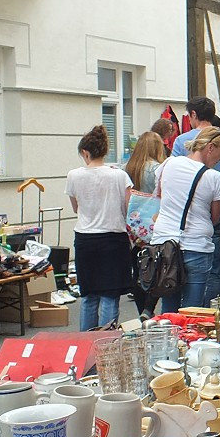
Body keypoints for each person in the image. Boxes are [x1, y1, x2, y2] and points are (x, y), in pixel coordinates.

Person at [171, 96, 220, 303]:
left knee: (180, 268)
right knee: (217, 271)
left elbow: (175, 179)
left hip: (186, 216)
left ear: (193, 115)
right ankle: (210, 316)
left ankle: (183, 314)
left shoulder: (181, 141)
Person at [150, 127, 220, 312]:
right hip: (196, 246)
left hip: (165, 244)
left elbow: (159, 197)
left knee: (168, 308)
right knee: (192, 311)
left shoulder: (168, 164)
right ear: (210, 147)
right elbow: (215, 217)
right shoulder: (212, 176)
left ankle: (168, 339)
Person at [65, 126, 133, 331]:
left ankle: (85, 345)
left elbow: (76, 207)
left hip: (85, 239)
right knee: (110, 296)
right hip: (113, 239)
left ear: (85, 152)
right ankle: (107, 345)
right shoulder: (119, 176)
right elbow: (128, 208)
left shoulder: (73, 176)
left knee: (88, 296)